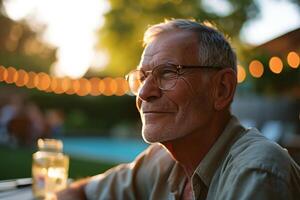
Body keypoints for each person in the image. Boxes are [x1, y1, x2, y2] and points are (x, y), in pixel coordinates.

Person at [57, 19, 300, 200]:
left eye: (168, 73)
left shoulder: (258, 172)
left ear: (222, 89)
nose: (143, 93)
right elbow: (78, 194)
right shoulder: (161, 161)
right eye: (142, 77)